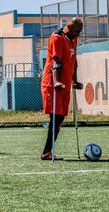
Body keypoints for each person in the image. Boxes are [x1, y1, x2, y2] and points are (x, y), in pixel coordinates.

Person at [40, 18, 84, 160]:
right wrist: (57, 81)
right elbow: (56, 61)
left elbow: (73, 61)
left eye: (80, 32)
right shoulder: (57, 38)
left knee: (60, 119)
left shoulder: (73, 39)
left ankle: (47, 152)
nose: (78, 35)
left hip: (65, 84)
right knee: (56, 117)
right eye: (77, 31)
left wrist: (74, 80)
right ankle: (46, 152)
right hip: (52, 84)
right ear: (69, 27)